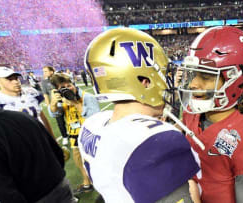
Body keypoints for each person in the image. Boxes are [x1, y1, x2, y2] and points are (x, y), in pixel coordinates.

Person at [79, 27, 200, 203]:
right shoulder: (158, 141)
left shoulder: (93, 124)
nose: (168, 83)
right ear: (145, 82)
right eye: (165, 76)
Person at [178, 26, 243, 203]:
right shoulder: (192, 113)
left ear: (236, 80)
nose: (193, 84)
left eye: (206, 76)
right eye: (193, 74)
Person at [0, 109, 74, 203]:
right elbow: (56, 150)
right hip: (59, 184)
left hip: (35, 197)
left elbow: (5, 191)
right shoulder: (22, 116)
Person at [49, 73, 100, 195]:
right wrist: (53, 104)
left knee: (94, 161)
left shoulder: (87, 97)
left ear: (74, 84)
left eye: (69, 85)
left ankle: (101, 183)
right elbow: (54, 114)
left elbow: (96, 118)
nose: (68, 89)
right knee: (78, 160)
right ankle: (87, 182)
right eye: (63, 88)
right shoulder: (63, 99)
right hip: (74, 135)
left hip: (90, 134)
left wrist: (76, 104)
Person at [0, 65, 54, 138]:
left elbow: (42, 116)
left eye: (16, 78)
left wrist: (52, 138)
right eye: (9, 79)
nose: (16, 81)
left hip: (41, 136)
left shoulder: (30, 92)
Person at [41, 66, 69, 144]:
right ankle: (65, 137)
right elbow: (45, 94)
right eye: (43, 71)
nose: (44, 73)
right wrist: (49, 106)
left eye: (46, 71)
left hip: (66, 101)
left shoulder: (59, 78)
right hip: (56, 105)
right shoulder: (44, 82)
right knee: (60, 122)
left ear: (52, 71)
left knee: (71, 118)